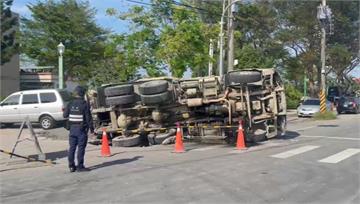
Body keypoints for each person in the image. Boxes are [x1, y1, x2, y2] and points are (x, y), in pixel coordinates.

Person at [63, 86, 94, 172]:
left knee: (72, 148)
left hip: (72, 129)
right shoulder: (84, 104)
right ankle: (80, 166)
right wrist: (92, 130)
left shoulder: (70, 103)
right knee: (81, 148)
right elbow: (88, 119)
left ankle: (71, 166)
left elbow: (65, 115)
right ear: (83, 94)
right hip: (81, 130)